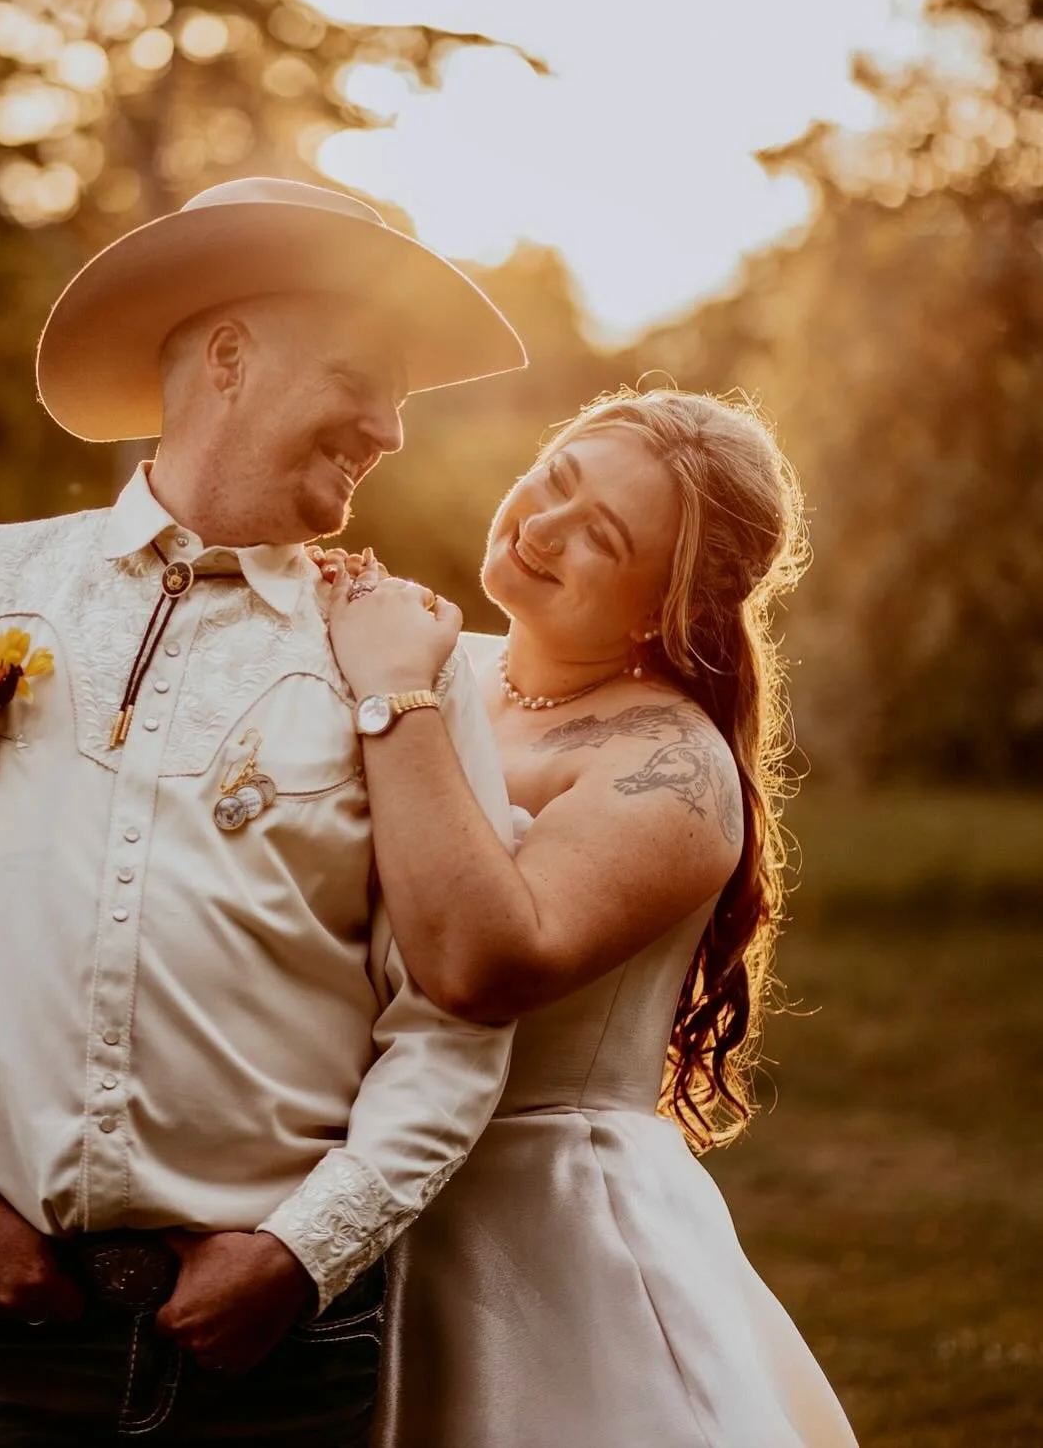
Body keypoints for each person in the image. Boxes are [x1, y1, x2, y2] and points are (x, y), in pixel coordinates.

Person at [0, 176, 530, 1447]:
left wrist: (304, 1250)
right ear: (230, 356)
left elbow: (451, 1016)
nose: (390, 429)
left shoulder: (408, 661)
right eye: (365, 378)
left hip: (280, 1350)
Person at [319, 388, 861, 1447]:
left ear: (666, 607)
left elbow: (478, 959)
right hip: (351, 1204)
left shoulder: (670, 766)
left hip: (540, 1244)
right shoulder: (442, 657)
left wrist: (390, 691)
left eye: (601, 536)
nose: (542, 522)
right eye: (555, 476)